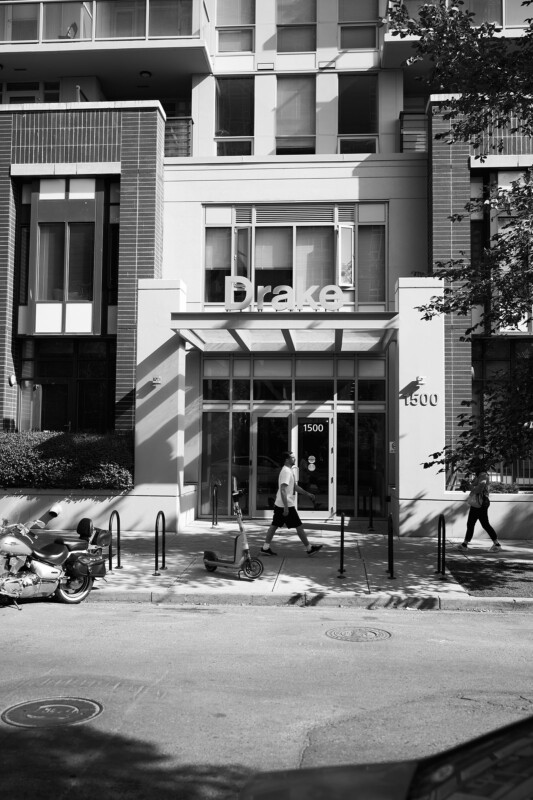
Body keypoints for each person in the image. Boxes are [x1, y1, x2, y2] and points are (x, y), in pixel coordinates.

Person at [260, 451, 323, 557]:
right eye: (292, 458)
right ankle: (309, 548)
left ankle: (265, 548)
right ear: (287, 460)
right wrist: (286, 507)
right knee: (298, 525)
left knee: (274, 525)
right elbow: (283, 490)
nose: (294, 459)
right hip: (286, 505)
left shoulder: (288, 471)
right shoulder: (286, 472)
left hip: (282, 504)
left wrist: (308, 494)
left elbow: (294, 487)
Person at [459, 465, 502, 552]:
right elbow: (474, 485)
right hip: (477, 502)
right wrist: (466, 484)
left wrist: (470, 487)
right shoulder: (478, 475)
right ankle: (465, 544)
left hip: (481, 502)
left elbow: (479, 488)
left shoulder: (484, 475)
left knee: (483, 524)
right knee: (472, 523)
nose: (472, 467)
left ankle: (496, 544)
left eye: (474, 465)